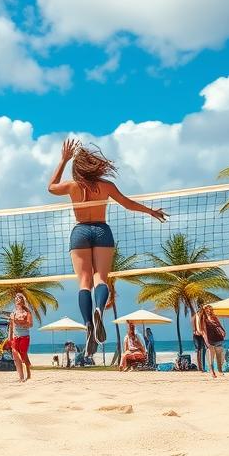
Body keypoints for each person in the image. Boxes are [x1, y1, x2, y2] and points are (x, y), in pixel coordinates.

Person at [48, 139, 167, 357]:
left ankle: (88, 324)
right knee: (100, 279)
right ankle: (99, 311)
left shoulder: (73, 186)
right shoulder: (106, 186)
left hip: (81, 232)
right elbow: (127, 203)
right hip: (102, 231)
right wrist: (150, 211)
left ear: (78, 167)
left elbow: (51, 187)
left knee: (84, 283)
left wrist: (63, 160)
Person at [7, 292, 33, 382]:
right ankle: (21, 377)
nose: (17, 299)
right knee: (15, 354)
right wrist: (9, 337)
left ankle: (28, 370)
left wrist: (20, 322)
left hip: (24, 337)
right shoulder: (13, 313)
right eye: (16, 298)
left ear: (23, 300)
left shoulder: (27, 312)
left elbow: (30, 324)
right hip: (15, 337)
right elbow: (11, 325)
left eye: (19, 298)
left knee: (23, 354)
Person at [201, 303, 226, 377]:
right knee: (211, 356)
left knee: (219, 356)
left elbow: (219, 325)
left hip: (218, 338)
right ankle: (212, 371)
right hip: (209, 339)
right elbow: (203, 331)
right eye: (207, 309)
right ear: (204, 310)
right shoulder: (203, 319)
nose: (208, 310)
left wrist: (223, 331)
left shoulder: (214, 317)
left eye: (210, 309)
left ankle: (220, 370)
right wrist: (206, 340)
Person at [191, 305, 207, 372]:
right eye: (200, 310)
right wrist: (195, 331)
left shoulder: (203, 317)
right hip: (196, 335)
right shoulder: (194, 317)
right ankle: (200, 367)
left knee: (203, 350)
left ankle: (202, 367)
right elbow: (193, 325)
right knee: (198, 350)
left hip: (202, 335)